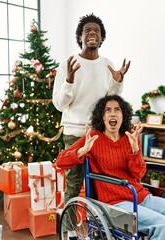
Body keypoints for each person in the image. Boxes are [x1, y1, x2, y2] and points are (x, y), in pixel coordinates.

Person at [56, 95, 165, 240]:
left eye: (117, 110)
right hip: (114, 205)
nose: (113, 113)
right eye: (107, 110)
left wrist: (135, 151)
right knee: (163, 225)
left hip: (140, 196)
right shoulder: (93, 138)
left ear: (123, 115)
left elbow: (139, 173)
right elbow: (60, 162)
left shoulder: (131, 137)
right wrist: (83, 150)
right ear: (102, 117)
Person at [52, 13, 131, 218]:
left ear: (102, 38)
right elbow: (59, 104)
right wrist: (68, 81)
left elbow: (111, 101)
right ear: (80, 37)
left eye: (96, 30)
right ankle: (68, 231)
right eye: (87, 30)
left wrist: (118, 81)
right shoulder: (67, 65)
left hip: (98, 134)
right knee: (74, 183)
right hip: (74, 134)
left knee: (101, 184)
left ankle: (97, 227)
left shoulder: (107, 64)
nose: (92, 33)